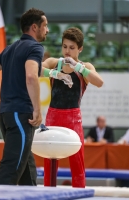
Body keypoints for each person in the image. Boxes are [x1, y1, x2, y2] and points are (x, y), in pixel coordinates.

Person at [0, 8, 72, 185]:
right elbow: (31, 76)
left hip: (7, 115)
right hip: (21, 114)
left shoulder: (10, 49)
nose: (47, 30)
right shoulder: (34, 47)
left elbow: (33, 69)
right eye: (45, 26)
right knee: (11, 169)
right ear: (34, 27)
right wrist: (37, 110)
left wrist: (54, 74)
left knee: (27, 169)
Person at [42, 27, 104, 187]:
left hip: (73, 119)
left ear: (80, 49)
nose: (67, 51)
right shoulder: (54, 63)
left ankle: (79, 193)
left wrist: (78, 67)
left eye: (72, 47)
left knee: (77, 162)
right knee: (50, 162)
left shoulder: (85, 67)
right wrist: (55, 74)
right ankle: (48, 194)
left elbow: (99, 82)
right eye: (64, 47)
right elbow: (34, 69)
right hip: (53, 117)